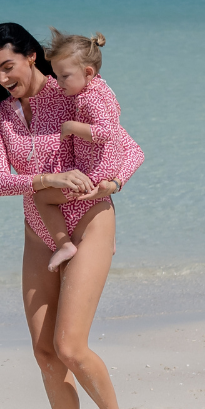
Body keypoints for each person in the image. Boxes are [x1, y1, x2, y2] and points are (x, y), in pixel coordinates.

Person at [0, 23, 143, 409]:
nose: (1, 77)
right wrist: (47, 180)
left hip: (91, 218)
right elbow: (0, 181)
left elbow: (120, 142)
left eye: (7, 66)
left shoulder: (71, 89)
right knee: (44, 350)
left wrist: (113, 182)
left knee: (70, 345)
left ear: (32, 56)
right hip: (41, 233)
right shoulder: (0, 117)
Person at [32, 30, 144, 271]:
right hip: (107, 169)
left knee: (42, 198)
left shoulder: (89, 99)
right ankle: (108, 237)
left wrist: (72, 126)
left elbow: (105, 132)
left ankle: (64, 245)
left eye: (64, 77)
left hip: (95, 173)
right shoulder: (102, 89)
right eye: (56, 76)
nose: (59, 83)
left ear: (88, 72)